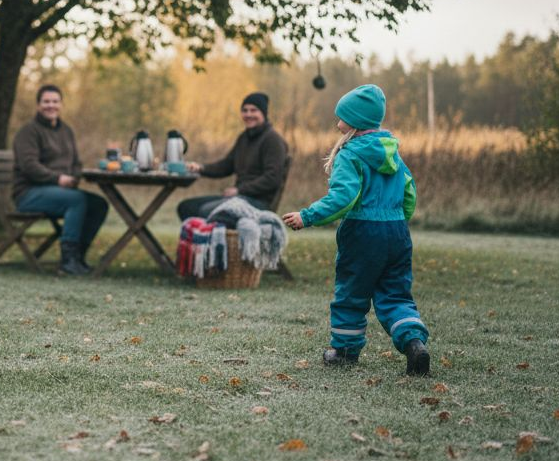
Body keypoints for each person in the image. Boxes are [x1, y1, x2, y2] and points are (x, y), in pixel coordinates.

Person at [281, 84, 431, 376]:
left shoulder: (350, 154)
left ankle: (345, 351)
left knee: (352, 291)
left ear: (355, 121)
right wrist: (398, 220)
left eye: (341, 117)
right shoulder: (392, 153)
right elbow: (409, 192)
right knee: (396, 293)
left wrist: (307, 216)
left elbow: (343, 198)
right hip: (397, 232)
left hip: (363, 233)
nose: (337, 122)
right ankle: (414, 344)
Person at [12, 84, 109, 275]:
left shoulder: (66, 131)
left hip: (61, 192)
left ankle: (78, 256)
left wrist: (74, 177)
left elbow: (76, 163)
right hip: (28, 193)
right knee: (76, 200)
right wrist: (58, 179)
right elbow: (29, 166)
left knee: (99, 204)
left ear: (61, 104)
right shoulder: (29, 132)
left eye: (55, 101)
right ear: (38, 105)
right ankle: (67, 261)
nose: (51, 105)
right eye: (46, 101)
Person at [177, 92, 289, 220]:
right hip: (239, 199)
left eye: (254, 110)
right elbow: (226, 165)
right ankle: (201, 240)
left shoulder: (272, 140)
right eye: (245, 110)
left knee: (206, 211)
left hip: (258, 203)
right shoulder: (244, 138)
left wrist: (240, 190)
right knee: (186, 207)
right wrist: (201, 168)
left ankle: (213, 239)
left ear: (263, 113)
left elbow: (272, 178)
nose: (248, 114)